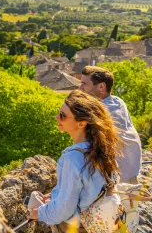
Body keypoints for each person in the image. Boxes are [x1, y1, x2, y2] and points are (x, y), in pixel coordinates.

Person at [28, 90, 123, 232]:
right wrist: (55, 194)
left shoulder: (72, 158)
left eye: (63, 116)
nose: (57, 118)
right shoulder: (102, 149)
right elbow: (89, 189)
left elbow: (64, 209)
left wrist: (38, 214)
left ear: (81, 123)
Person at [79, 66, 142, 184]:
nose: (80, 88)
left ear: (101, 87)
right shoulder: (117, 101)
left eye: (84, 84)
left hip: (119, 179)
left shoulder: (101, 111)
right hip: (129, 171)